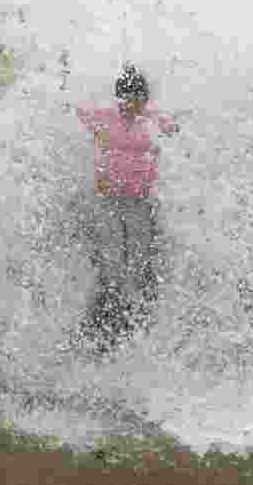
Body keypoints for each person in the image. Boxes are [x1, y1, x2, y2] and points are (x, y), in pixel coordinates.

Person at [74, 62, 180, 352]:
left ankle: (134, 321)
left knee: (138, 260)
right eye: (126, 99)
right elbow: (72, 111)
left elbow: (178, 130)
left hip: (139, 203)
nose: (131, 105)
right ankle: (106, 318)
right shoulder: (103, 117)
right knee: (110, 261)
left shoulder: (153, 120)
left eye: (137, 100)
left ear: (144, 100)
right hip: (107, 201)